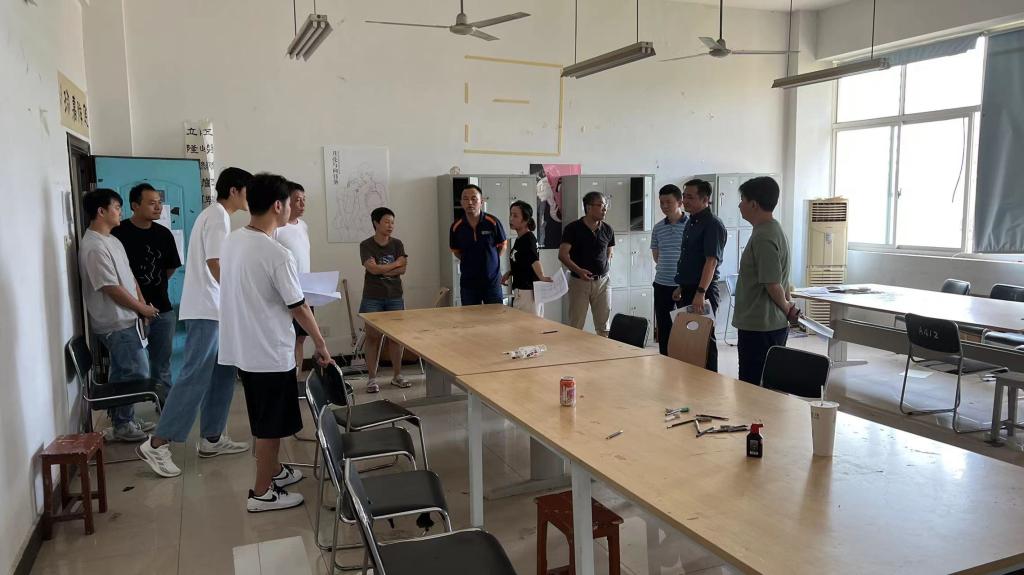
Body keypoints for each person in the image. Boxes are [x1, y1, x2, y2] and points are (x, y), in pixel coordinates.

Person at [217, 172, 333, 512]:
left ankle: (276, 470)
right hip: (269, 351)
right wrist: (321, 343)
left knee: (262, 417)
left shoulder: (234, 241)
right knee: (270, 427)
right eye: (289, 203)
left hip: (245, 348)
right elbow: (298, 306)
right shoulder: (276, 253)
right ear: (278, 206)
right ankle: (261, 493)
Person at [138, 167, 251, 478]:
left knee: (223, 373)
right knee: (194, 376)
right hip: (207, 310)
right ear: (234, 191)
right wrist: (237, 298)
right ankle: (157, 443)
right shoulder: (217, 216)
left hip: (215, 309)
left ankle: (212, 438)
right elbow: (215, 264)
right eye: (248, 191)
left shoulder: (217, 215)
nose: (251, 197)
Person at [78, 189, 159, 442]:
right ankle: (123, 424)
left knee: (123, 373)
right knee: (136, 373)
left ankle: (122, 421)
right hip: (115, 322)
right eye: (116, 207)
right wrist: (141, 308)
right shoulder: (93, 246)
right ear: (101, 211)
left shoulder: (112, 240)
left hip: (129, 318)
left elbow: (129, 277)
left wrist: (142, 305)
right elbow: (110, 287)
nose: (120, 212)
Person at [111, 183, 181, 389]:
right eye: (151, 203)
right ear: (135, 205)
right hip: (128, 312)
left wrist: (154, 287)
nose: (158, 207)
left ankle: (164, 405)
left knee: (162, 366)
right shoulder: (118, 232)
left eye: (159, 203)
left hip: (161, 310)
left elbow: (170, 268)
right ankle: (123, 410)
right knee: (127, 369)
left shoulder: (164, 234)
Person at [732, 176, 798, 384]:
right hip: (764, 323)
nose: (740, 205)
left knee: (753, 385)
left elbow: (773, 283)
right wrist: (788, 305)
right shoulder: (771, 230)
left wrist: (787, 308)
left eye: (742, 200)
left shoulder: (764, 236)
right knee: (763, 383)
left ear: (754, 204)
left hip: (761, 325)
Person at [672, 179, 728, 370]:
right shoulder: (691, 221)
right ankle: (691, 378)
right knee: (688, 338)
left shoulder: (712, 224)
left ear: (705, 199)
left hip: (703, 291)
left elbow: (711, 261)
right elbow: (689, 257)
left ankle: (709, 380)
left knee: (704, 338)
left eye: (690, 197)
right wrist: (681, 285)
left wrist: (701, 292)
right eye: (684, 196)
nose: (685, 201)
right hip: (688, 288)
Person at [359, 207, 409, 393]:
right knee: (373, 337)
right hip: (372, 297)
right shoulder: (366, 245)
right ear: (376, 223)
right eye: (387, 222)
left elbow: (403, 269)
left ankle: (397, 376)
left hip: (394, 296)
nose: (390, 226)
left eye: (392, 222)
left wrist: (382, 269)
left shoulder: (397, 244)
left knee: (396, 337)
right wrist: (395, 264)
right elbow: (372, 269)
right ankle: (372, 379)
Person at [559, 191, 615, 337]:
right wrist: (579, 270)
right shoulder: (573, 229)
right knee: (576, 325)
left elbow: (609, 252)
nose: (605, 209)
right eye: (601, 205)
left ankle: (602, 351)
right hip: (579, 282)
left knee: (604, 326)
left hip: (602, 283)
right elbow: (563, 255)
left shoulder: (607, 229)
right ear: (589, 207)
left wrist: (603, 270)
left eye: (605, 205)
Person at [274, 182, 311, 378]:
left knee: (301, 338)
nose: (302, 204)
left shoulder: (303, 226)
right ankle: (286, 376)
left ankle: (297, 378)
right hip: (286, 293)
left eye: (304, 200)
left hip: (305, 291)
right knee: (288, 337)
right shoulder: (277, 229)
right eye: (297, 200)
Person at [450, 185, 507, 305]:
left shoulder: (493, 222)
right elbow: (457, 252)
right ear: (461, 202)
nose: (470, 202)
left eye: (474, 198)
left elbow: (503, 246)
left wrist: (490, 260)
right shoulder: (456, 227)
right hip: (469, 284)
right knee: (470, 316)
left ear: (481, 201)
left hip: (492, 282)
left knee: (496, 315)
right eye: (465, 199)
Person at [649, 184, 687, 355]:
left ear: (679, 202)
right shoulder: (658, 227)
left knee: (685, 327)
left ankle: (683, 361)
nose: (664, 206)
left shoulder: (690, 225)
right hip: (662, 283)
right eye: (661, 202)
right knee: (664, 327)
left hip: (684, 285)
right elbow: (656, 255)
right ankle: (665, 359)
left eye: (668, 202)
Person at [503, 201, 551, 317]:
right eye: (511, 215)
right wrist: (510, 272)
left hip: (528, 292)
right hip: (520, 291)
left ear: (525, 220)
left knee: (529, 326)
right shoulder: (520, 239)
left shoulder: (528, 239)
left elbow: (534, 260)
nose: (511, 218)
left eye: (515, 216)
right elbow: (523, 261)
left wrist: (542, 276)